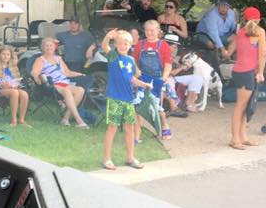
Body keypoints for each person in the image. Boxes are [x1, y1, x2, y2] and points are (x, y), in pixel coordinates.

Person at [100, 29, 152, 170]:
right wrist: (107, 37)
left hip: (128, 99)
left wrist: (144, 84)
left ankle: (130, 157)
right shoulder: (113, 57)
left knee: (130, 128)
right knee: (112, 127)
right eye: (120, 44)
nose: (123, 46)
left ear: (130, 45)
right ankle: (106, 159)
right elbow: (105, 47)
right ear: (116, 45)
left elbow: (131, 78)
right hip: (115, 98)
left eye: (126, 44)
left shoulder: (130, 60)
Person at [226, 7, 266, 149]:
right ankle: (234, 139)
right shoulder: (260, 31)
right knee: (241, 106)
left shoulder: (241, 31)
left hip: (239, 70)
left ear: (245, 18)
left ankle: (242, 136)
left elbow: (243, 51)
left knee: (244, 106)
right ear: (258, 19)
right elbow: (262, 54)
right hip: (248, 72)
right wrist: (261, 72)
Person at [31, 38, 88, 128]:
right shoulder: (40, 60)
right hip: (52, 85)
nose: (49, 47)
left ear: (54, 47)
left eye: (51, 45)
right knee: (67, 91)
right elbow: (34, 72)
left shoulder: (59, 59)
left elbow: (67, 72)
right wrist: (37, 77)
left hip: (64, 82)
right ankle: (79, 120)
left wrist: (80, 74)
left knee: (80, 90)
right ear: (43, 48)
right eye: (46, 46)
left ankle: (65, 118)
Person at [164, 33, 206, 111]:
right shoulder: (161, 55)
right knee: (169, 81)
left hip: (174, 78)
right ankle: (174, 105)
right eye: (174, 47)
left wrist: (182, 66)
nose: (174, 49)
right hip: (166, 78)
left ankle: (189, 103)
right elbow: (168, 73)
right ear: (167, 45)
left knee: (197, 78)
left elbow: (176, 69)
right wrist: (181, 68)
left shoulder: (171, 54)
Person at [0, 45, 29, 126]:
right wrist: (1, 84)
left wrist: (15, 84)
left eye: (8, 54)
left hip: (11, 88)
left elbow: (16, 80)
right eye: (3, 54)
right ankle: (14, 120)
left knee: (24, 94)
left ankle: (22, 120)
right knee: (14, 93)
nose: (6, 56)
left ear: (10, 56)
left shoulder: (12, 67)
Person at [56, 17, 96, 89]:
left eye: (75, 23)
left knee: (76, 78)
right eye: (71, 23)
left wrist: (91, 48)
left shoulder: (86, 35)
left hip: (80, 63)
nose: (73, 25)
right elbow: (52, 40)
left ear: (79, 25)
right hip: (66, 62)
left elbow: (95, 43)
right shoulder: (63, 35)